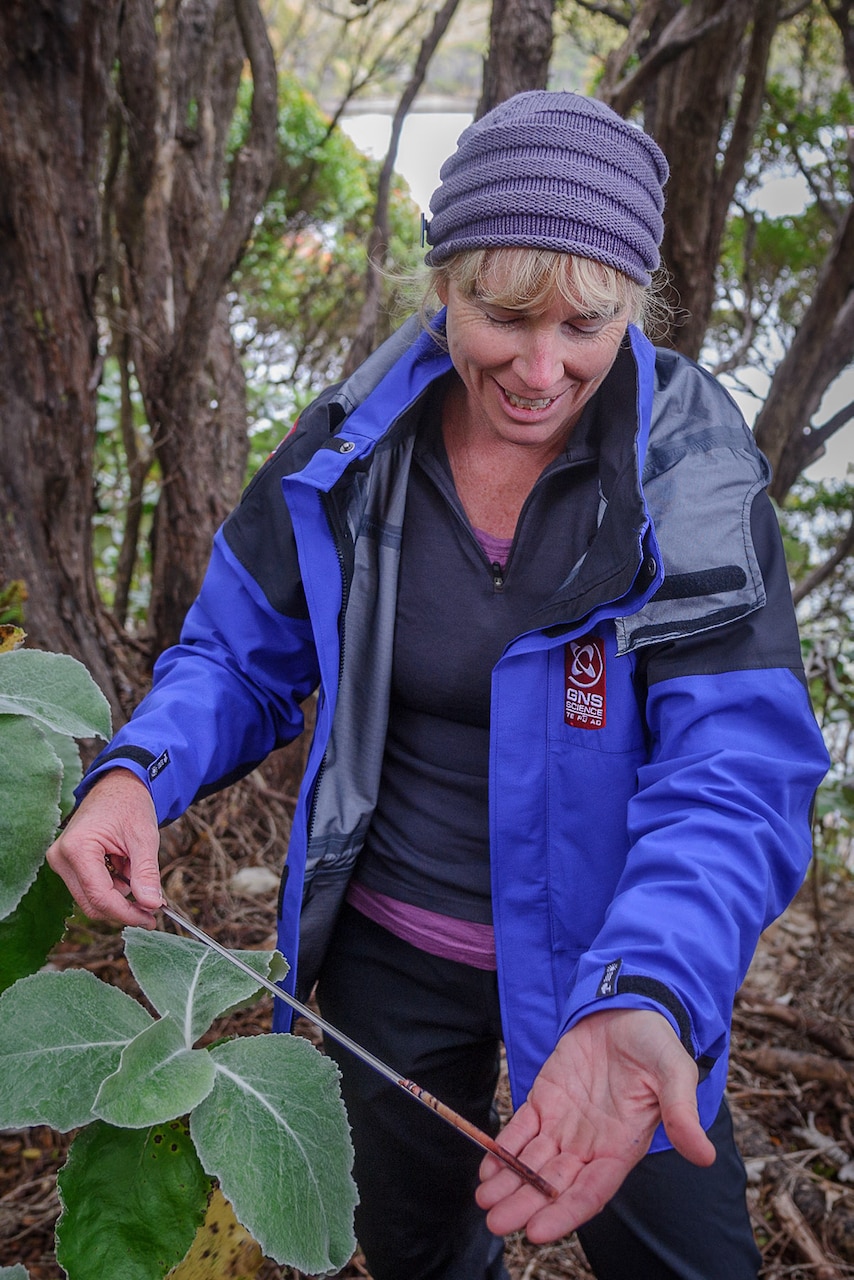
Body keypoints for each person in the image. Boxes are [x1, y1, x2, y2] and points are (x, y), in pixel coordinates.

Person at [48, 91, 829, 1280]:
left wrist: (654, 988)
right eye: (502, 315)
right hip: (390, 948)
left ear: (633, 305)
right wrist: (135, 774)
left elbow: (736, 772)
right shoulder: (354, 450)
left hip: (618, 961)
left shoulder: (688, 476)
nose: (539, 365)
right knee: (419, 1245)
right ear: (442, 283)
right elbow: (237, 651)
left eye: (585, 323)